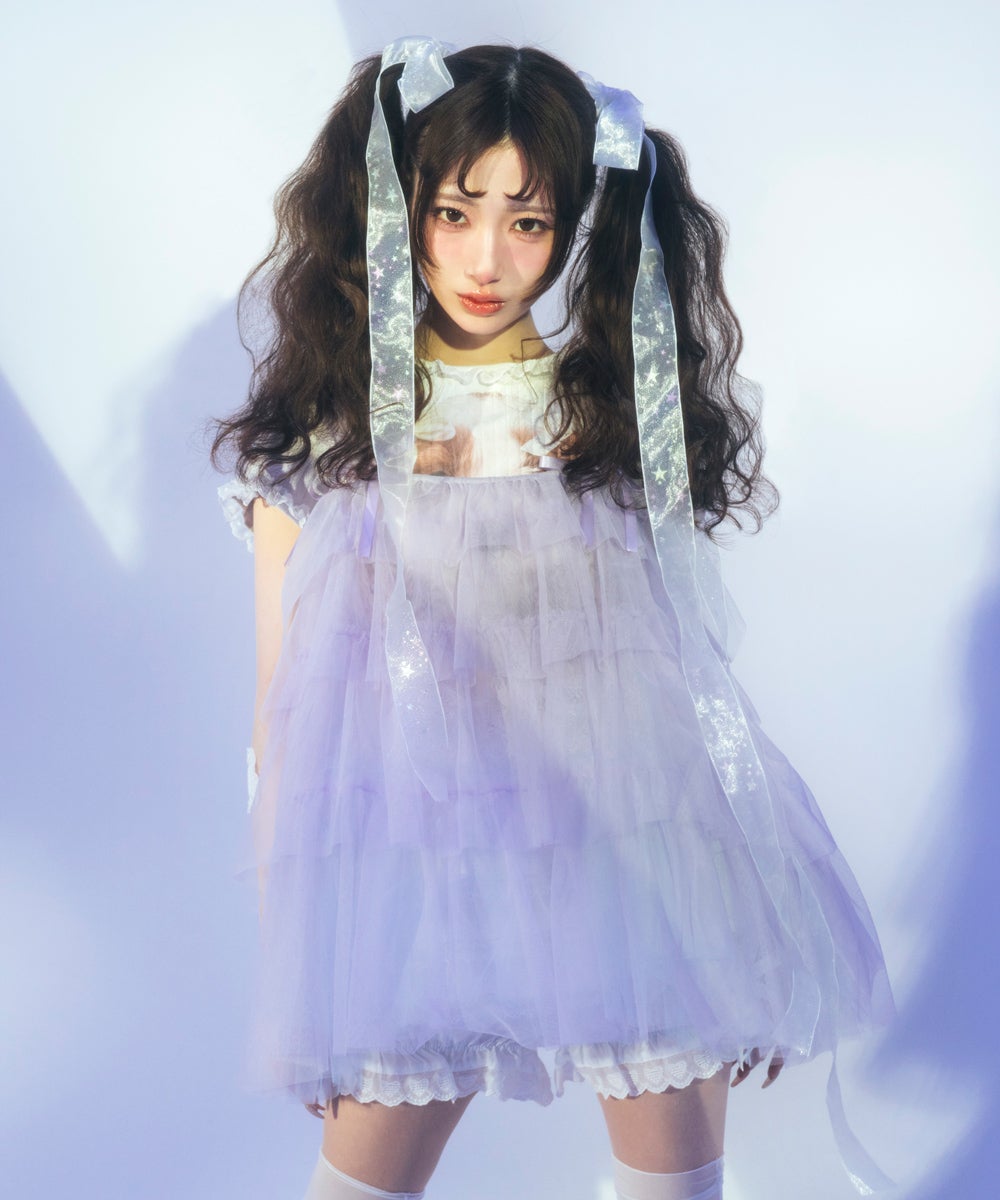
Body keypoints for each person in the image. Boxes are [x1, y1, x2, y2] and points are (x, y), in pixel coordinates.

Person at [212, 38, 894, 1200]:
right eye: (453, 212)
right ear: (394, 208)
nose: (486, 258)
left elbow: (672, 699)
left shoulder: (607, 426)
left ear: (576, 223)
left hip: (623, 874)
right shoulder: (329, 443)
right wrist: (310, 968)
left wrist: (734, 929)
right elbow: (285, 717)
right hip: (422, 888)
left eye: (527, 221)